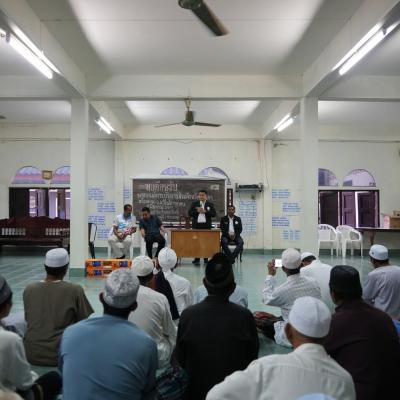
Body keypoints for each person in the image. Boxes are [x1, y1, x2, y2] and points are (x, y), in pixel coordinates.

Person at [207, 297, 355, 400]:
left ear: (288, 332)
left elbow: (215, 395)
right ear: (328, 334)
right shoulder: (344, 380)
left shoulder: (266, 368)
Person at [59, 268, 158, 400]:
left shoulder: (70, 333)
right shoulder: (146, 344)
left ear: (101, 298)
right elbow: (148, 388)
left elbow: (63, 371)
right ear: (134, 306)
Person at [175, 253, 259, 400]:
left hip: (195, 392)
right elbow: (252, 358)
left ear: (204, 283)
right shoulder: (245, 317)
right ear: (233, 287)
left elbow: (181, 359)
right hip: (234, 393)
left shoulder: (188, 316)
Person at [325, 265, 400, 400]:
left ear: (333, 294)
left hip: (359, 394)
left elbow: (317, 356)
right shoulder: (384, 318)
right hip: (391, 391)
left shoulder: (335, 323)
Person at [23, 248, 93, 366]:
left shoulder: (29, 289)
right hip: (61, 355)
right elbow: (83, 322)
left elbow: (28, 318)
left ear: (45, 267)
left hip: (31, 354)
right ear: (66, 268)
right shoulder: (74, 290)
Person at [0, 276, 62, 399]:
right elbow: (24, 383)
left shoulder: (30, 289)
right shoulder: (10, 339)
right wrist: (33, 376)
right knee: (54, 378)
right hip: (8, 394)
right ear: (8, 305)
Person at [256, 248, 321, 347]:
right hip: (314, 330)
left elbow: (266, 298)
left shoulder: (283, 290)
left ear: (283, 268)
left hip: (295, 335)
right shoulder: (314, 282)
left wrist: (270, 275)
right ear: (301, 265)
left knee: (257, 316)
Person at [129, 256, 176, 369]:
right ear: (152, 276)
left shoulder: (122, 296)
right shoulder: (159, 298)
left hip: (127, 355)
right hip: (155, 357)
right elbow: (170, 330)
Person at [363, 244, 400, 318]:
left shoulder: (374, 275)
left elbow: (366, 297)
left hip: (382, 317)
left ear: (372, 260)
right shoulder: (398, 270)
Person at [158, 247, 194, 316]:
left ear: (159, 263)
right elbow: (190, 305)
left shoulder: (152, 281)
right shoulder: (185, 283)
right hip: (179, 320)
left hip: (158, 320)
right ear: (175, 264)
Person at [189, 190, 216, 265]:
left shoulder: (210, 204)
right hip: (196, 226)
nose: (201, 196)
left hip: (206, 226)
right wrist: (197, 211)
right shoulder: (194, 204)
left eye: (203, 195)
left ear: (206, 196)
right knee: (196, 243)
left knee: (205, 243)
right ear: (198, 196)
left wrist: (205, 211)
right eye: (200, 195)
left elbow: (214, 214)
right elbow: (190, 213)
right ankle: (196, 259)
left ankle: (206, 259)